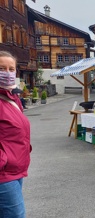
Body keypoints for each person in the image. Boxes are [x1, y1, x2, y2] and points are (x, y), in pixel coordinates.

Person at [0, 51, 32, 217]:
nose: (7, 73)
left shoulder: (12, 98)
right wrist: (3, 161)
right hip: (4, 173)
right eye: (2, 68)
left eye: (11, 69)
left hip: (14, 170)